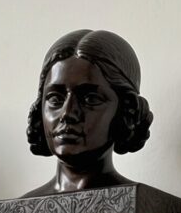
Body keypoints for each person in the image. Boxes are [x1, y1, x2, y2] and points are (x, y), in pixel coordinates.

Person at [24, 29, 153, 197]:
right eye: (55, 99)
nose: (68, 113)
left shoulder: (137, 200)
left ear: (126, 110)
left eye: (90, 99)